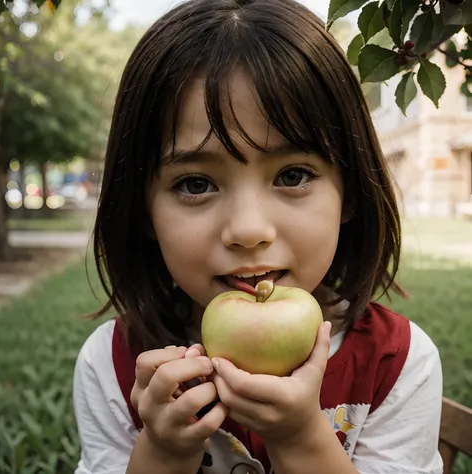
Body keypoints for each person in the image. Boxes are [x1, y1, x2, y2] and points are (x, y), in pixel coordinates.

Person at [72, 1, 444, 473]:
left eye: (292, 175)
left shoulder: (397, 362)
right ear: (143, 211)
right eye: (195, 184)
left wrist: (302, 438)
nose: (248, 230)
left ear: (350, 191)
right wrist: (163, 453)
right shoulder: (115, 366)